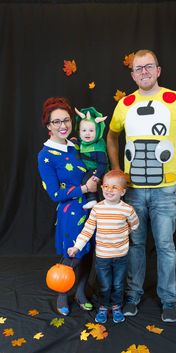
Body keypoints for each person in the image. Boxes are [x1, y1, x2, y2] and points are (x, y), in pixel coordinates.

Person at [107, 49, 176, 322]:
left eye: (149, 67)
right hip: (133, 190)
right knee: (135, 244)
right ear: (132, 74)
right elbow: (111, 137)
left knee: (165, 245)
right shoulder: (124, 104)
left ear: (158, 70)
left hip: (167, 190)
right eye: (138, 69)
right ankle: (133, 295)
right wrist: (116, 170)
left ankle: (168, 299)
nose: (144, 72)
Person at [38, 97, 97, 316]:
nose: (63, 125)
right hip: (70, 213)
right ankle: (62, 294)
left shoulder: (76, 146)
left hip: (91, 209)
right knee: (73, 253)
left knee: (88, 254)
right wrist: (83, 189)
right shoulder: (45, 156)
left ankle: (81, 293)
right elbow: (54, 194)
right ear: (48, 126)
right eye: (56, 122)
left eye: (66, 120)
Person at [67, 170, 139, 324]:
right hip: (102, 257)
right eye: (106, 186)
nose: (108, 190)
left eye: (114, 187)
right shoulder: (97, 209)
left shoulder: (127, 209)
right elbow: (87, 230)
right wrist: (77, 247)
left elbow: (135, 224)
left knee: (118, 284)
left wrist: (126, 231)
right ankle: (103, 307)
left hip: (120, 256)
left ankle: (116, 306)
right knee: (105, 285)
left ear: (123, 192)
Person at [72, 106, 109, 209]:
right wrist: (74, 141)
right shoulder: (83, 142)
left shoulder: (98, 147)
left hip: (97, 170)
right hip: (86, 168)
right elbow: (79, 143)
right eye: (84, 130)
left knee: (85, 180)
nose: (87, 133)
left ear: (97, 132)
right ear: (79, 131)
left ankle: (92, 199)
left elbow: (103, 163)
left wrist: (97, 175)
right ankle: (76, 194)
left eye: (91, 131)